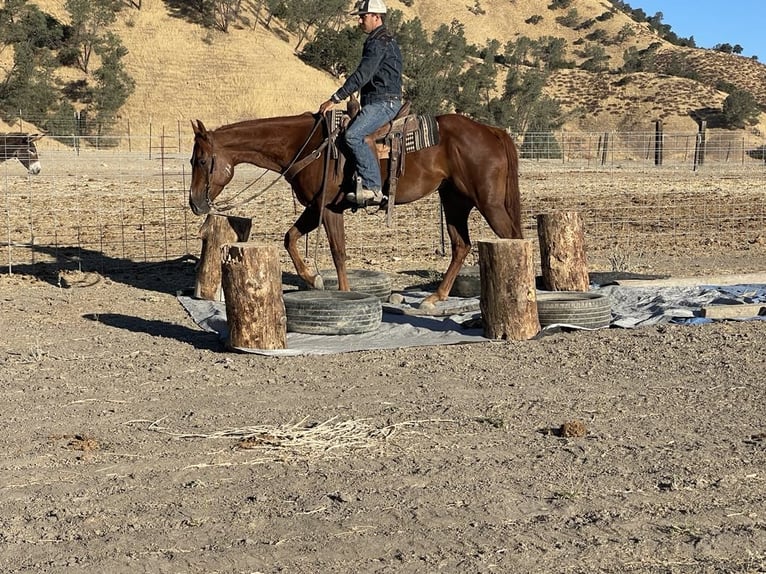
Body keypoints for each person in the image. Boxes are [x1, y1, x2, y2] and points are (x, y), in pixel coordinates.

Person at [319, 0, 403, 207]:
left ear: (376, 17)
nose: (359, 20)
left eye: (363, 16)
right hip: (378, 100)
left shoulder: (379, 41)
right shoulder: (382, 39)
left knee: (353, 135)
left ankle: (373, 187)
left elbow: (363, 74)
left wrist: (336, 98)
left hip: (384, 103)